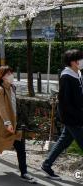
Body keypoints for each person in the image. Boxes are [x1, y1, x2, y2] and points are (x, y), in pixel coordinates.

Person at [0, 65, 36, 183]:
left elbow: (13, 106)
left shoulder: (12, 88)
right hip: (1, 123)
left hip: (13, 123)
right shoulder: (0, 90)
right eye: (7, 74)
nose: (11, 76)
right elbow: (2, 108)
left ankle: (24, 173)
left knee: (20, 147)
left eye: (11, 73)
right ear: (2, 77)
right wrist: (7, 123)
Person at [41, 49, 83, 179]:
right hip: (73, 118)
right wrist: (78, 117)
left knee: (63, 142)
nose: (82, 61)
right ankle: (47, 165)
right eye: (80, 59)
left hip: (77, 117)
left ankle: (47, 165)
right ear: (73, 62)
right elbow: (65, 102)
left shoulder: (78, 74)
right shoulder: (66, 77)